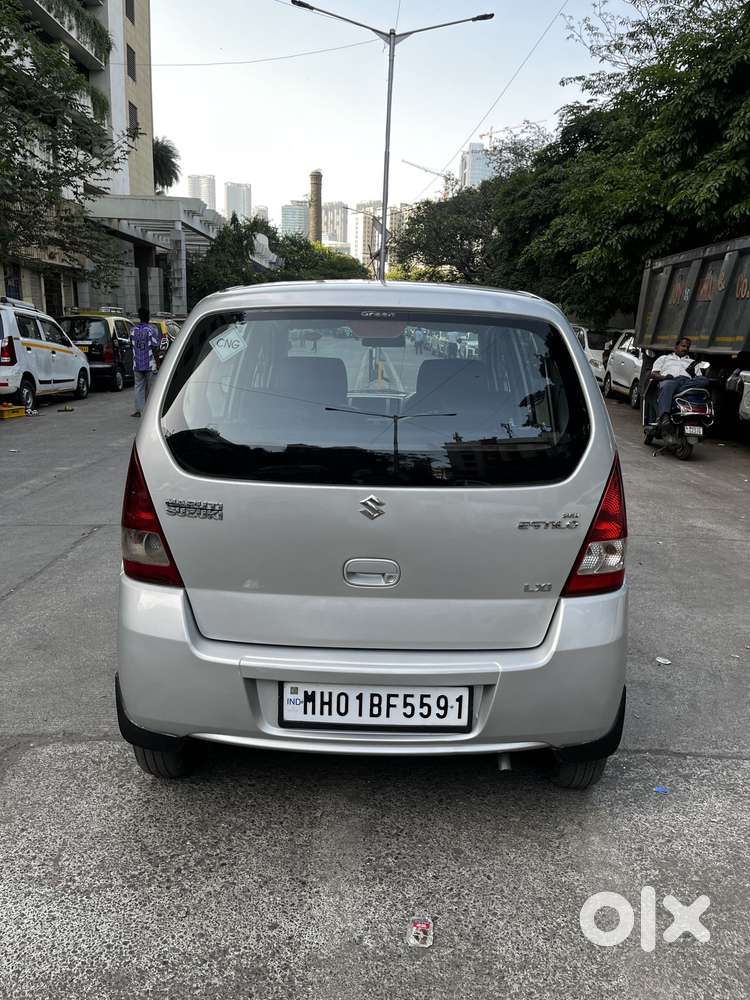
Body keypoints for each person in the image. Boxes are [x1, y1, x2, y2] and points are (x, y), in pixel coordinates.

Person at [650, 337, 710, 426]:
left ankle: (679, 390)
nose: (685, 349)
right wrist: (664, 377)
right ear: (676, 347)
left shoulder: (692, 362)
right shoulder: (664, 358)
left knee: (704, 380)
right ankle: (664, 416)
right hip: (670, 380)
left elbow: (699, 378)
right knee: (668, 385)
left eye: (687, 347)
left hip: (686, 382)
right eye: (683, 346)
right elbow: (653, 374)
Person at [129, 307, 160, 418]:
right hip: (150, 364)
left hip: (137, 364)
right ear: (148, 317)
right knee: (152, 388)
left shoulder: (133, 330)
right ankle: (151, 411)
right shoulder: (151, 330)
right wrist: (158, 363)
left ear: (139, 316)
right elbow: (155, 347)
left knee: (138, 387)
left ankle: (138, 410)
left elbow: (131, 345)